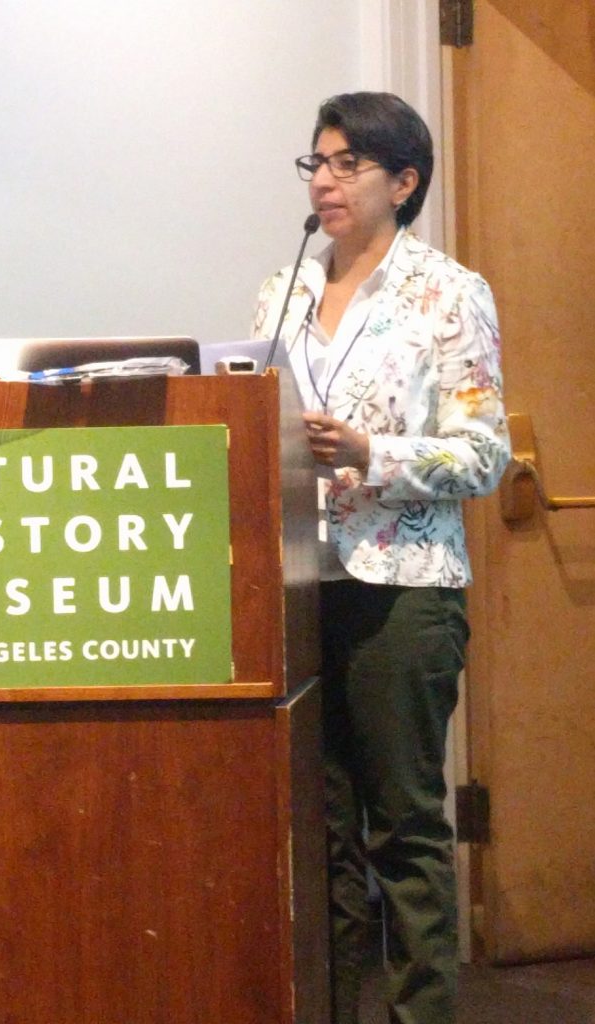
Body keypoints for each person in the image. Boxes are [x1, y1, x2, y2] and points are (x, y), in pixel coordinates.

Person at [251, 92, 510, 1024]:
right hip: (296, 585)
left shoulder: (449, 293)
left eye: (345, 164)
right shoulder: (281, 292)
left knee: (402, 829)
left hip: (401, 589)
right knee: (319, 836)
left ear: (402, 182)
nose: (323, 182)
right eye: (314, 164)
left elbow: (484, 457)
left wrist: (370, 452)